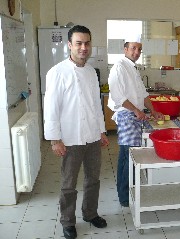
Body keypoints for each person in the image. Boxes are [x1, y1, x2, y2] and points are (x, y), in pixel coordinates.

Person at [43, 25, 109, 239]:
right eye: (78, 43)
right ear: (69, 45)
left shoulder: (91, 71)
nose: (83, 47)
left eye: (86, 43)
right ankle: (68, 222)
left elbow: (95, 105)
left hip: (91, 136)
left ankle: (90, 213)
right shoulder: (57, 72)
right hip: (70, 138)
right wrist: (54, 140)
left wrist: (101, 130)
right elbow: (51, 108)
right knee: (68, 184)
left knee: (93, 179)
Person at [107, 34, 163, 207]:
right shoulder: (119, 67)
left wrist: (153, 111)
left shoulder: (133, 68)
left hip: (136, 114)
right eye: (133, 48)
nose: (137, 52)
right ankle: (124, 196)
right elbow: (119, 97)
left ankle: (133, 187)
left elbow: (143, 95)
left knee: (134, 154)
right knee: (128, 155)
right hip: (126, 115)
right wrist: (137, 110)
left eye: (139, 49)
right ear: (125, 49)